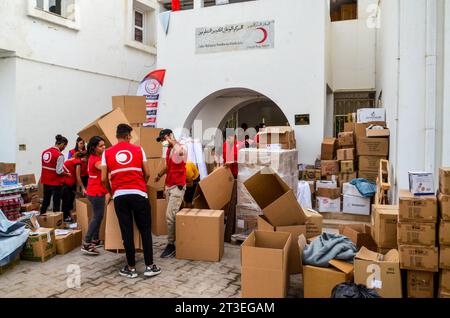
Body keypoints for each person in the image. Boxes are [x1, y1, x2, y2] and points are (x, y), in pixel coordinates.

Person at [102, 124, 161, 278]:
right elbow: (147, 173)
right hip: (139, 194)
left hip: (120, 196)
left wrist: (112, 192)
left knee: (126, 232)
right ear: (128, 136)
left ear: (117, 135)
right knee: (145, 230)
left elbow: (103, 178)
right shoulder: (138, 149)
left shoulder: (107, 153)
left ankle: (131, 268)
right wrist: (140, 184)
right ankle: (149, 267)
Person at [155, 129, 187, 258]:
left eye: (164, 139)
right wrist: (159, 176)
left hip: (178, 187)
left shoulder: (180, 147)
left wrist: (171, 141)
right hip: (170, 186)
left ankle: (171, 244)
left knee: (170, 215)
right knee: (174, 216)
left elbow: (180, 152)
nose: (163, 142)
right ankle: (178, 241)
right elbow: (168, 167)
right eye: (162, 140)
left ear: (170, 136)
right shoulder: (169, 150)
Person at [81, 136, 108, 256]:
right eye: (101, 146)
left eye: (104, 145)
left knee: (98, 216)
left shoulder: (96, 157)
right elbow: (103, 167)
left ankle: (95, 239)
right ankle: (86, 243)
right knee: (97, 217)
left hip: (95, 191)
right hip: (96, 192)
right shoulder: (95, 159)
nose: (104, 147)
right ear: (94, 148)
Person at [40, 135, 69, 215]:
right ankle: (56, 221)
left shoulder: (45, 152)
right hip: (55, 182)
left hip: (46, 181)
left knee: (46, 200)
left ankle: (41, 217)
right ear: (62, 144)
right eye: (64, 146)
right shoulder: (59, 155)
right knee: (56, 202)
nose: (64, 148)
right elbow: (59, 171)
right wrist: (67, 174)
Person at [61, 152, 86, 223]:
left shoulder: (73, 159)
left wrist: (78, 189)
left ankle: (68, 217)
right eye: (87, 158)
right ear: (84, 157)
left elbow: (76, 177)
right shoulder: (78, 162)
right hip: (66, 183)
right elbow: (78, 177)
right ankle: (66, 217)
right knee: (67, 201)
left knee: (68, 200)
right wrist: (83, 188)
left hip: (66, 182)